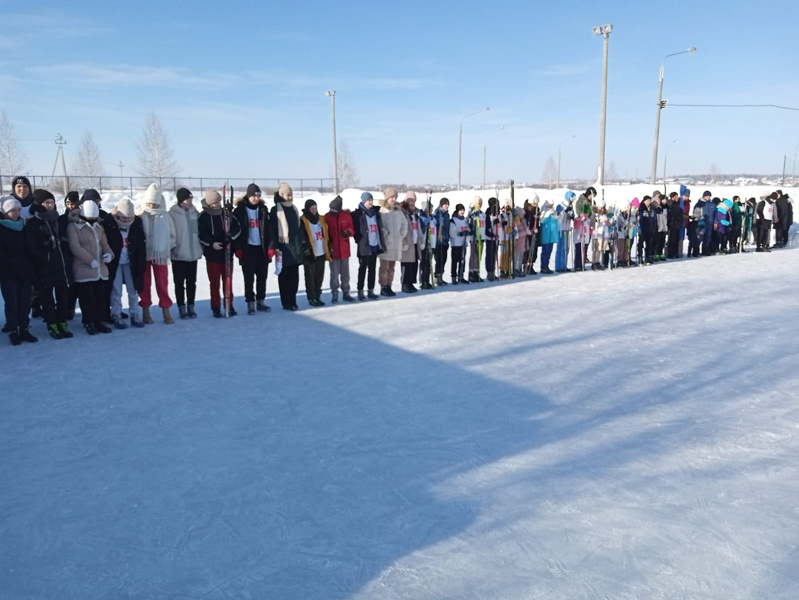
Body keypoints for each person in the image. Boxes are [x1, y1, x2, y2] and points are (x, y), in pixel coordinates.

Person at [25, 189, 73, 339]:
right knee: (47, 299)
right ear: (39, 204)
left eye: (52, 202)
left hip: (62, 265)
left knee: (63, 298)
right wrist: (45, 254)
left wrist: (66, 254)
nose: (50, 205)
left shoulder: (58, 219)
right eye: (46, 202)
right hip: (44, 267)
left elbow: (66, 239)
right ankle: (52, 325)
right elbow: (31, 247)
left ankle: (62, 324)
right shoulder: (34, 223)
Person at [67, 199, 114, 335]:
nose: (92, 219)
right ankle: (89, 321)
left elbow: (104, 244)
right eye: (90, 217)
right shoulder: (74, 227)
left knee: (100, 296)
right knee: (87, 298)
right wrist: (89, 260)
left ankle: (100, 320)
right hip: (83, 268)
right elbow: (75, 247)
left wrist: (109, 254)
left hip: (100, 268)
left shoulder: (99, 227)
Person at [103, 197, 147, 329]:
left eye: (129, 217)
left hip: (130, 262)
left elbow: (141, 246)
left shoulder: (137, 224)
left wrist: (140, 265)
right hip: (115, 262)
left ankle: (134, 313)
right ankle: (116, 314)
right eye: (124, 217)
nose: (127, 220)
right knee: (116, 290)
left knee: (133, 289)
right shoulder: (110, 223)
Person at [198, 189, 242, 317]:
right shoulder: (203, 216)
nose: (217, 205)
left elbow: (237, 227)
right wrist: (212, 244)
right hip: (213, 255)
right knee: (215, 283)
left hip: (227, 254)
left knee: (228, 281)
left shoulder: (227, 214)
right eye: (214, 203)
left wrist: (230, 236)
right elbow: (201, 235)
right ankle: (215, 307)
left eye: (219, 202)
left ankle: (229, 304)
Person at [0, 196, 37, 344]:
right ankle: (13, 329)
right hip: (8, 272)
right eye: (12, 211)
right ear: (5, 212)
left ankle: (24, 328)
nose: (16, 213)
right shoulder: (2, 228)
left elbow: (30, 247)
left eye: (18, 210)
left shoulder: (24, 226)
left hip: (24, 271)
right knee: (12, 302)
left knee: (25, 302)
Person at [138, 183, 176, 324]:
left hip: (160, 255)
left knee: (162, 284)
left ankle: (166, 310)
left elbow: (173, 236)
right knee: (145, 285)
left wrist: (165, 246)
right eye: (150, 203)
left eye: (155, 204)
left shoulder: (165, 217)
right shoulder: (141, 216)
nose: (152, 207)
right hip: (145, 256)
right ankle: (145, 311)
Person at [233, 183, 272, 314]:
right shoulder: (239, 211)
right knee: (249, 278)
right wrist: (237, 248)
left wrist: (271, 246)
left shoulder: (263, 210)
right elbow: (236, 232)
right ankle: (250, 303)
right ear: (248, 196)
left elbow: (269, 230)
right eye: (254, 196)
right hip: (247, 249)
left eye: (258, 195)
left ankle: (261, 301)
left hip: (261, 249)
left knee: (262, 277)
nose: (256, 198)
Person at [169, 188, 203, 319]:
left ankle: (191, 306)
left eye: (191, 199)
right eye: (187, 199)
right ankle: (181, 307)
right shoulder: (172, 214)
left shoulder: (195, 213)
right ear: (180, 200)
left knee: (191, 282)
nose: (189, 202)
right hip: (178, 254)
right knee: (179, 283)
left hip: (192, 254)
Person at [269, 182, 303, 311]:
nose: (289, 197)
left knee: (294, 276)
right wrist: (276, 246)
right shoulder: (275, 210)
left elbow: (298, 227)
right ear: (281, 195)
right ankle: (286, 302)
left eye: (291, 195)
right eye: (287, 195)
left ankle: (293, 300)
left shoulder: (294, 208)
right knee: (284, 276)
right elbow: (272, 229)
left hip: (295, 246)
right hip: (283, 247)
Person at [352, 192, 385, 300]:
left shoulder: (375, 212)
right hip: (364, 245)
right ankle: (360, 291)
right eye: (368, 200)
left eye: (371, 200)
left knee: (372, 269)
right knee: (362, 269)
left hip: (374, 244)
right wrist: (358, 239)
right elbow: (355, 228)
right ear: (363, 201)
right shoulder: (358, 214)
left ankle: (371, 290)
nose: (371, 202)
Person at [299, 199, 330, 306]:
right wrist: (305, 249)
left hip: (321, 251)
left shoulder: (320, 219)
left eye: (315, 208)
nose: (314, 210)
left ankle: (318, 295)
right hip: (310, 254)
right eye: (312, 208)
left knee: (319, 276)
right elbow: (301, 236)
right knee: (310, 277)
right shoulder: (303, 220)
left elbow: (325, 234)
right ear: (308, 209)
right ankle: (311, 298)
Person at [325, 195, 355, 302]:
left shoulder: (346, 216)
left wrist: (348, 232)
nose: (332, 211)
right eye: (330, 208)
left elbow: (352, 229)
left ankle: (346, 292)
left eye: (334, 209)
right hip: (333, 251)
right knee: (334, 274)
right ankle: (334, 292)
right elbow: (324, 230)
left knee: (345, 274)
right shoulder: (327, 217)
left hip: (344, 250)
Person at [378, 187, 408, 296]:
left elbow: (405, 223)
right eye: (391, 197)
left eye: (395, 197)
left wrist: (401, 234)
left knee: (391, 267)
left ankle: (389, 285)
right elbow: (378, 225)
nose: (393, 199)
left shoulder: (398, 211)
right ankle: (383, 286)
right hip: (386, 244)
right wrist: (385, 233)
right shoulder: (382, 210)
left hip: (396, 244)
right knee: (384, 267)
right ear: (387, 198)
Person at [59, 191, 81, 320]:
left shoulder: (82, 216)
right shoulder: (62, 218)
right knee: (68, 284)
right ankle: (67, 307)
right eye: (68, 204)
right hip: (66, 254)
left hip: (80, 255)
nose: (70, 206)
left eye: (73, 204)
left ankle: (72, 307)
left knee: (78, 285)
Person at [400, 191, 421, 293]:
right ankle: (404, 284)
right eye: (408, 199)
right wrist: (403, 242)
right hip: (407, 241)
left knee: (414, 264)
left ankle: (411, 283)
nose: (410, 201)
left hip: (415, 241)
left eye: (412, 199)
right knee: (406, 264)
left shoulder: (416, 212)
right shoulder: (403, 211)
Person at [574, 187, 595, 271]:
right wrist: (583, 214)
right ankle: (578, 264)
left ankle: (583, 262)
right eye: (591, 195)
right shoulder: (581, 201)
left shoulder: (591, 202)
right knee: (579, 245)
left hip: (588, 224)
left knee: (585, 245)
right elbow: (580, 211)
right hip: (581, 223)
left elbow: (591, 212)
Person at [449, 203, 470, 284]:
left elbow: (468, 228)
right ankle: (454, 277)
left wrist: (468, 232)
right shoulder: (453, 220)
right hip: (455, 244)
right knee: (455, 261)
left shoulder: (464, 220)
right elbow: (452, 234)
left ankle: (461, 276)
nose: (462, 212)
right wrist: (460, 234)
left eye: (463, 210)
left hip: (463, 244)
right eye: (460, 210)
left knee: (462, 261)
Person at [467, 196, 486, 282]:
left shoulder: (483, 214)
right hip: (474, 238)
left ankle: (477, 272)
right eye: (478, 203)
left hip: (481, 238)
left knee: (479, 256)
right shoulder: (472, 214)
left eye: (481, 203)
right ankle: (471, 272)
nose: (480, 205)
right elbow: (469, 223)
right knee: (473, 255)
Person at [433, 198, 451, 285]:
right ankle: (437, 276)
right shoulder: (437, 214)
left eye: (448, 204)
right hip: (438, 241)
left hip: (445, 241)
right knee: (439, 260)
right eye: (445, 204)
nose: (447, 206)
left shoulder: (447, 215)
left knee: (444, 259)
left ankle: (441, 276)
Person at [538, 200, 558, 274]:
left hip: (551, 235)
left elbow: (556, 219)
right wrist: (547, 215)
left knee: (549, 251)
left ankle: (547, 265)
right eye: (550, 205)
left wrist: (555, 214)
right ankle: (543, 266)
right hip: (545, 234)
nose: (551, 207)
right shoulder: (543, 211)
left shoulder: (553, 212)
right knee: (545, 251)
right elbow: (542, 221)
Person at [484, 197, 500, 281]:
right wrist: (491, 233)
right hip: (489, 238)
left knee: (494, 254)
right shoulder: (487, 213)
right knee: (489, 255)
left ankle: (493, 271)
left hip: (496, 238)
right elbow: (487, 226)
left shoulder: (497, 213)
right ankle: (489, 271)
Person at [637, 195, 655, 265]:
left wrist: (654, 228)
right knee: (641, 244)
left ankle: (648, 257)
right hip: (643, 229)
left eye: (649, 201)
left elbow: (654, 219)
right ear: (644, 201)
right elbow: (640, 219)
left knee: (649, 244)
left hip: (650, 229)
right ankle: (640, 257)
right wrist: (640, 228)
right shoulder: (641, 208)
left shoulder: (652, 208)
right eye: (647, 201)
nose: (648, 202)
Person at [667, 192, 683, 259]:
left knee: (676, 239)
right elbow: (674, 214)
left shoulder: (677, 204)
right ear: (673, 197)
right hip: (673, 224)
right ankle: (670, 253)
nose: (677, 198)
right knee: (672, 240)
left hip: (677, 224)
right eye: (676, 196)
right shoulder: (671, 204)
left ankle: (675, 253)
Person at [700, 190, 715, 255]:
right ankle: (696, 251)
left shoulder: (712, 204)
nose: (708, 197)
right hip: (702, 223)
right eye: (707, 196)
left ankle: (706, 250)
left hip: (710, 223)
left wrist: (715, 222)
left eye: (709, 196)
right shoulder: (700, 204)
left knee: (708, 237)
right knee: (700, 237)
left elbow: (715, 214)